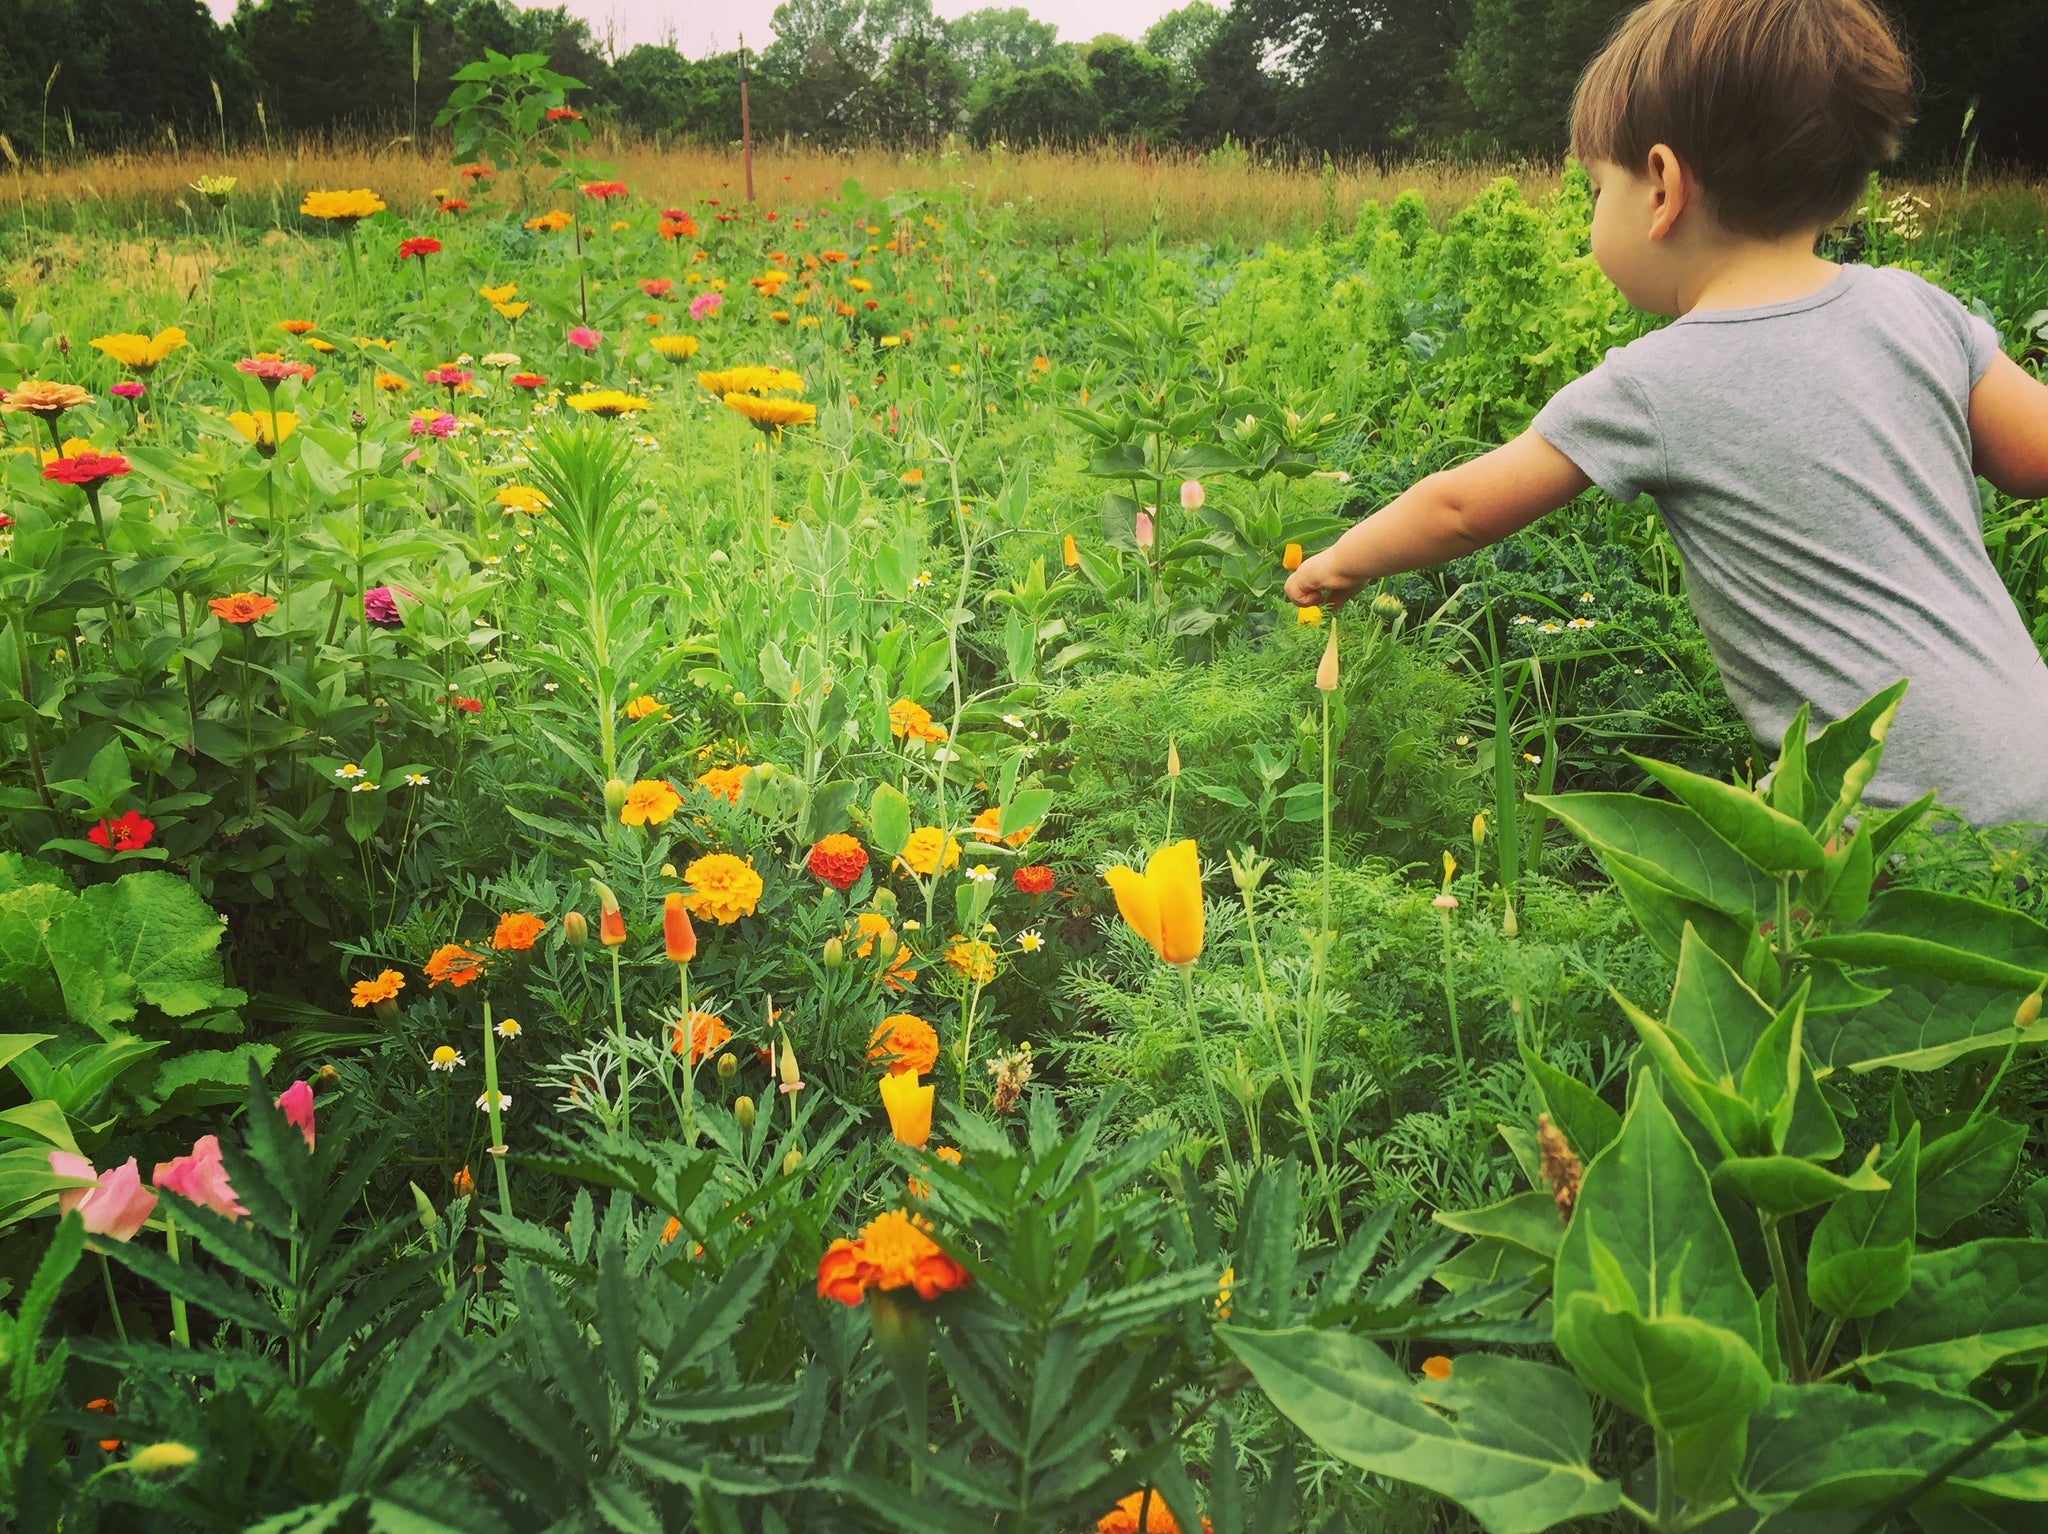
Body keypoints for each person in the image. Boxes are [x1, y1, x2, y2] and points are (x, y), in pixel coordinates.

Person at [1286, 0, 2048, 825]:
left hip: (1888, 806)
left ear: (1661, 187)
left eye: (1595, 188)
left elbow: (1461, 508)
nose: (1592, 214)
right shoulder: (1917, 307)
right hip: (2030, 748)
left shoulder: (1658, 380)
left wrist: (1343, 562)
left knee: (1776, 942)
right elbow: (2034, 457)